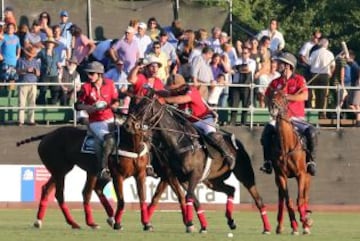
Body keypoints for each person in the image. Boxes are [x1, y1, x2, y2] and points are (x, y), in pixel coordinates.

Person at [260, 52, 317, 176]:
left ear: (288, 65)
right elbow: (267, 97)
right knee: (266, 133)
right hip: (279, 118)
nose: (277, 65)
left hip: (296, 117)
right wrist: (270, 105)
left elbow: (305, 95)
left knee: (311, 132)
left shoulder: (299, 80)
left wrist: (287, 97)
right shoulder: (275, 82)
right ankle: (268, 162)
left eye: (280, 63)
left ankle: (310, 161)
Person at [162, 74, 235, 170]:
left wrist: (164, 100)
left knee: (212, 135)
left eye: (172, 88)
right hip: (188, 123)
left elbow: (181, 100)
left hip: (203, 119)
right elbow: (164, 93)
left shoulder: (191, 91)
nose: (171, 91)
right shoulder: (176, 93)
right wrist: (154, 92)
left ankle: (228, 155)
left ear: (179, 87)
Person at [75, 61, 119, 179]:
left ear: (100, 74)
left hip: (111, 119)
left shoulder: (110, 84)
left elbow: (115, 100)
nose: (89, 76)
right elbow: (77, 105)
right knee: (109, 139)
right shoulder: (86, 87)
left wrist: (114, 105)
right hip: (96, 122)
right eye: (88, 74)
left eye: (92, 73)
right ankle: (103, 168)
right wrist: (90, 108)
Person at [16, 45, 40, 126]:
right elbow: (18, 71)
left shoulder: (36, 61)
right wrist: (26, 70)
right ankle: (20, 120)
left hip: (33, 83)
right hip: (23, 83)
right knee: (21, 102)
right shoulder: (20, 60)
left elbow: (39, 73)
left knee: (32, 102)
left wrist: (36, 71)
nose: (30, 57)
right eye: (29, 55)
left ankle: (31, 120)